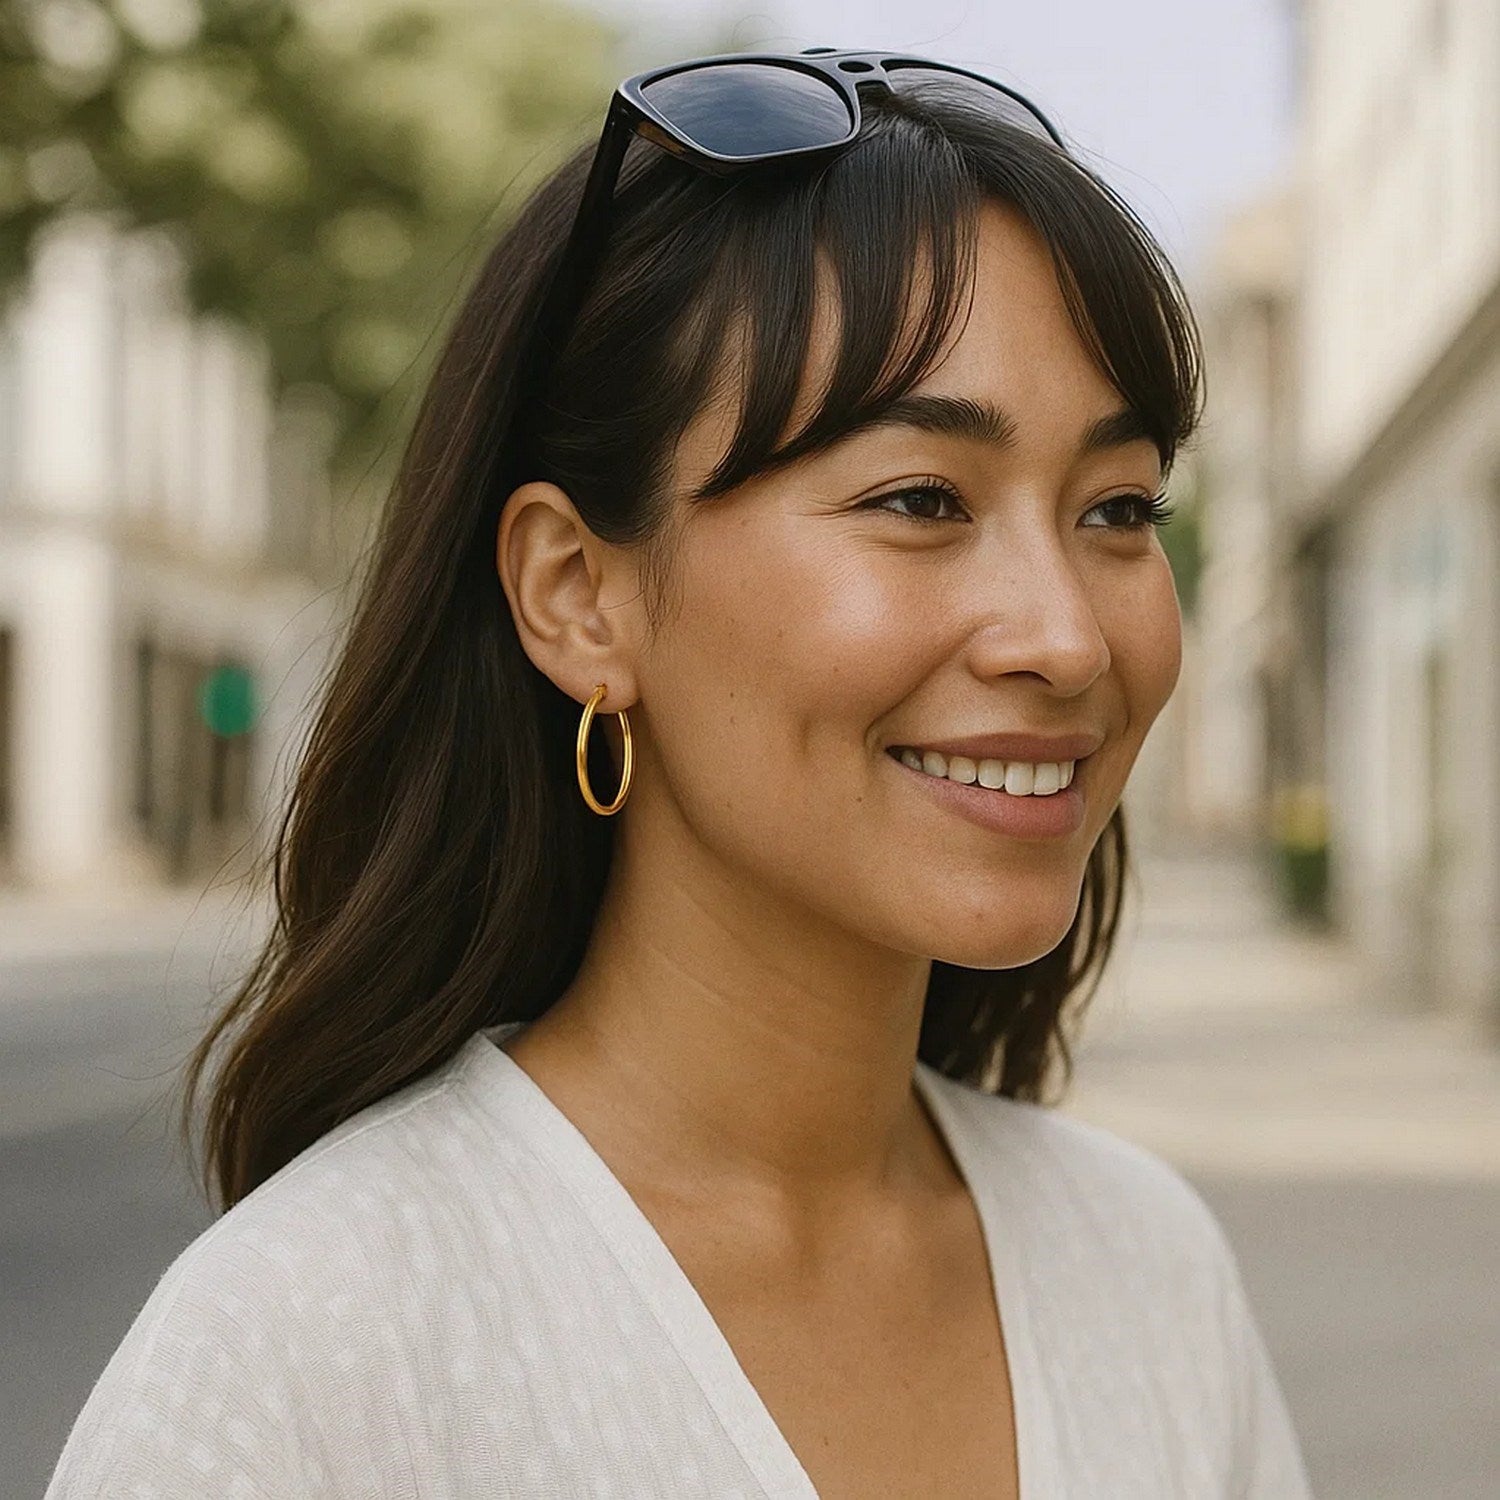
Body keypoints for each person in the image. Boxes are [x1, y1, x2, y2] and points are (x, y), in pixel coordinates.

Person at [45, 48, 1313, 1498]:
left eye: (1119, 506)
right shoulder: (307, 1357)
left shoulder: (1147, 1269)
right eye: (918, 498)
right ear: (578, 594)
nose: (1066, 637)